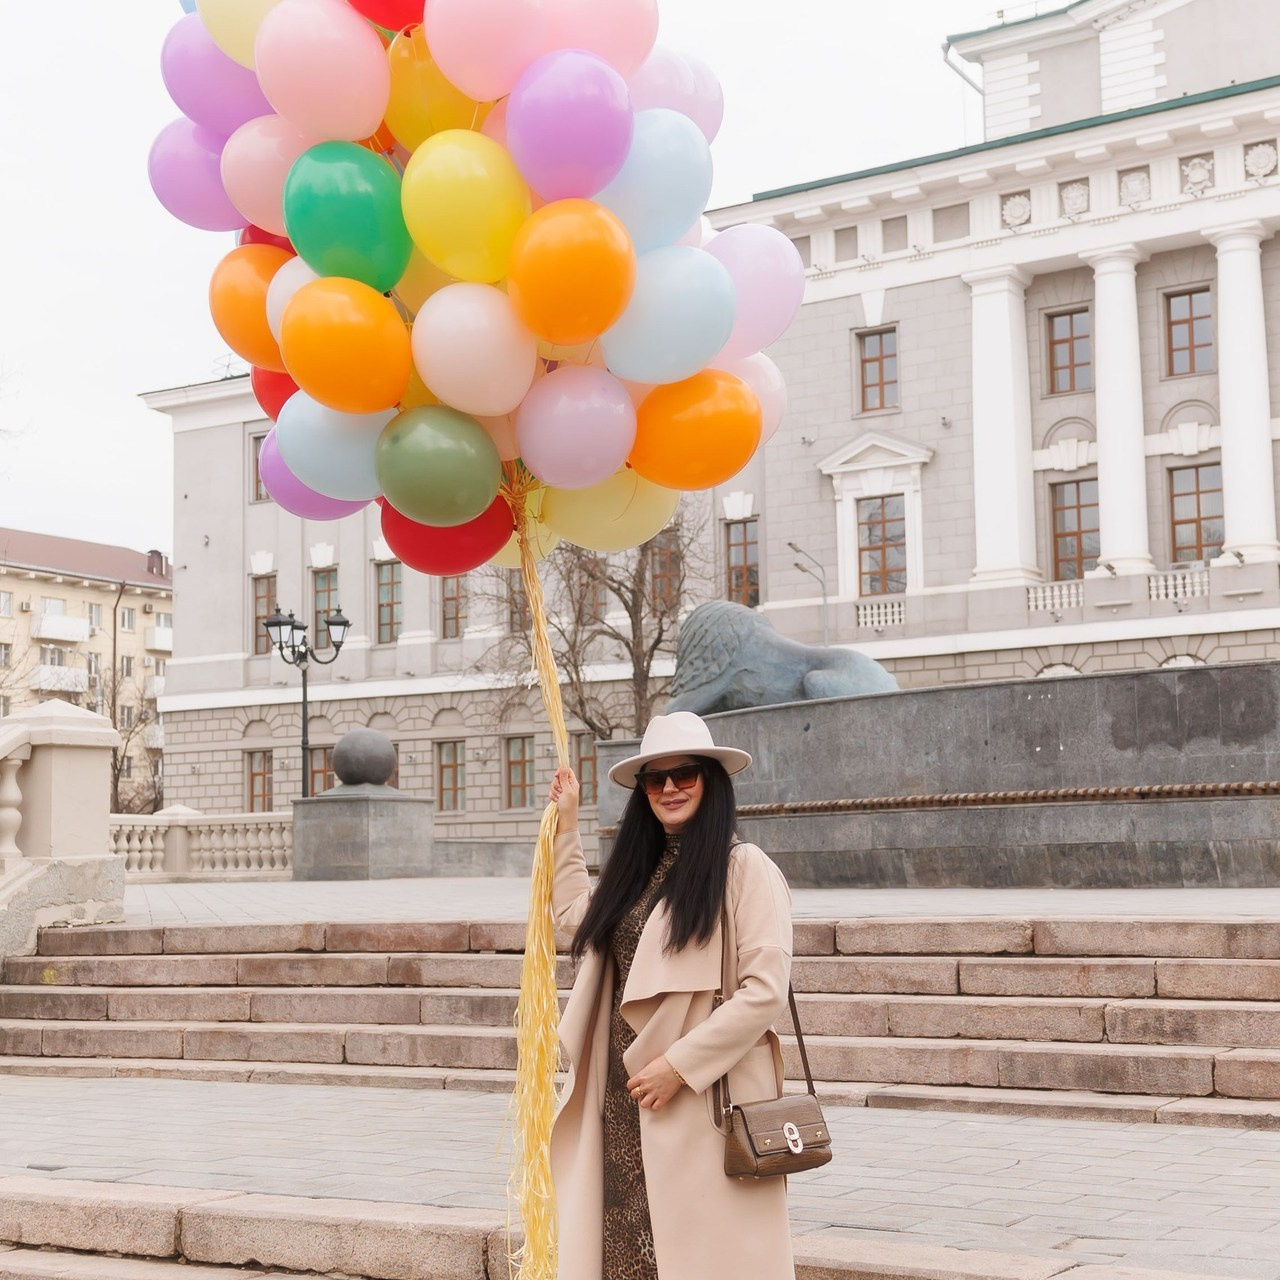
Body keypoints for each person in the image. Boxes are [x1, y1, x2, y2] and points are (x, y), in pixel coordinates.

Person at [546, 711, 795, 1280]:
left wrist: (679, 1067)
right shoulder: (636, 872)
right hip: (621, 1095)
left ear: (711, 780)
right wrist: (566, 826)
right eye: (654, 779)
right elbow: (570, 918)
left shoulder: (744, 869)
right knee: (624, 1253)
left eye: (684, 773)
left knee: (697, 1255)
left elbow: (763, 994)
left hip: (697, 1098)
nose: (669, 788)